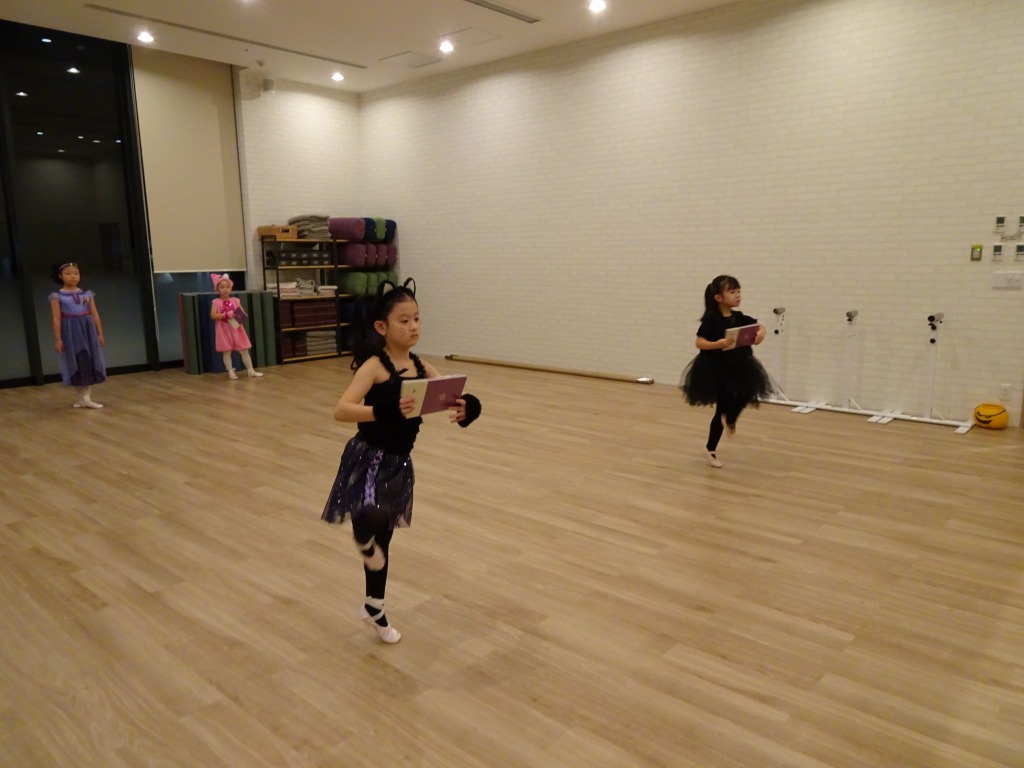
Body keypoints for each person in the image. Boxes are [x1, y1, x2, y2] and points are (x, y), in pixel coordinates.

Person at [321, 279, 481, 643]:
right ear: (382, 327)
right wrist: (382, 410)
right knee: (370, 517)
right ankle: (364, 542)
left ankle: (374, 605)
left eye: (417, 319)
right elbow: (341, 410)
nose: (413, 327)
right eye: (404, 321)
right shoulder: (374, 367)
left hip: (399, 463)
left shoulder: (421, 367)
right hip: (369, 457)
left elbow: (452, 396)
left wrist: (467, 407)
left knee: (385, 538)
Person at [680, 274, 772, 468]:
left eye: (739, 291)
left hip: (739, 365)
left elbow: (759, 326)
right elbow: (699, 342)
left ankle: (730, 419)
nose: (737, 295)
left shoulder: (739, 317)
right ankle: (710, 449)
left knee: (748, 390)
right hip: (717, 368)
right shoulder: (712, 320)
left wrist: (761, 334)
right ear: (719, 298)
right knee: (722, 407)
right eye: (732, 292)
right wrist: (718, 344)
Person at [49, 262, 106, 408]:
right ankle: (82, 397)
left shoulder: (87, 294)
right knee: (75, 360)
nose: (73, 276)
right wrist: (58, 339)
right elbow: (56, 318)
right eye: (68, 273)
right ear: (60, 276)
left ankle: (85, 397)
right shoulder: (57, 296)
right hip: (70, 331)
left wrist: (100, 333)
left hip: (88, 329)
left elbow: (95, 314)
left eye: (76, 273)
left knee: (89, 358)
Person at [210, 273, 263, 379]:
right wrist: (225, 315)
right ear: (217, 289)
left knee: (244, 350)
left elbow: (243, 314)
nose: (225, 289)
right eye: (222, 287)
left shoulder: (235, 300)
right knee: (227, 351)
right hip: (223, 329)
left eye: (227, 287)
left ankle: (250, 370)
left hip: (236, 329)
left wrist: (239, 315)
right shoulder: (216, 302)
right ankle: (230, 371)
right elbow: (213, 315)